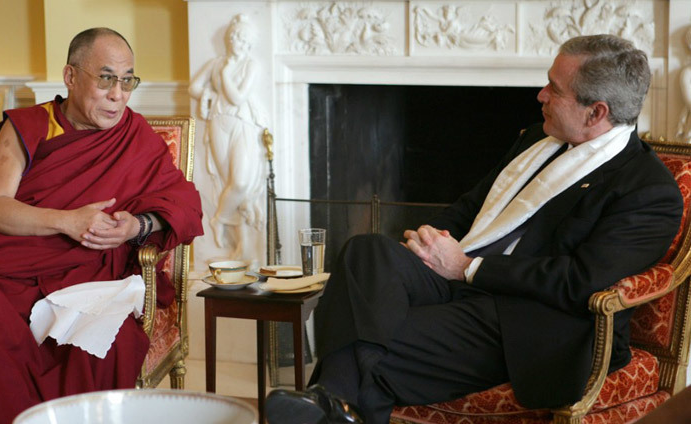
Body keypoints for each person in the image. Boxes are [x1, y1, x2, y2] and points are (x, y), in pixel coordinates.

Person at [265, 34, 684, 424]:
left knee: (372, 334)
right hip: (463, 279)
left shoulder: (647, 190)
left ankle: (329, 401)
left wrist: (468, 267)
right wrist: (431, 242)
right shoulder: (538, 140)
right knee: (366, 250)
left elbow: (579, 280)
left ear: (597, 112)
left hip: (529, 319)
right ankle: (335, 405)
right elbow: (471, 208)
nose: (540, 95)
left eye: (554, 89)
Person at [0, 28, 203, 424]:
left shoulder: (137, 138)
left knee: (102, 349)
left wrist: (136, 226)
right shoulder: (28, 126)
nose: (118, 94)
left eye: (127, 80)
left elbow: (182, 202)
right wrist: (68, 222)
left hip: (91, 278)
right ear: (70, 76)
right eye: (106, 78)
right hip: (5, 271)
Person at [189, 13, 267, 259]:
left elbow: (237, 97)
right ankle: (242, 248)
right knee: (226, 183)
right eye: (235, 39)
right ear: (229, 39)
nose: (238, 44)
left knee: (242, 183)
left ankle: (219, 219)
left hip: (242, 125)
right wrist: (207, 95)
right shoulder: (216, 63)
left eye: (244, 41)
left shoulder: (249, 65)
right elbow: (193, 87)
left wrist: (224, 74)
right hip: (218, 124)